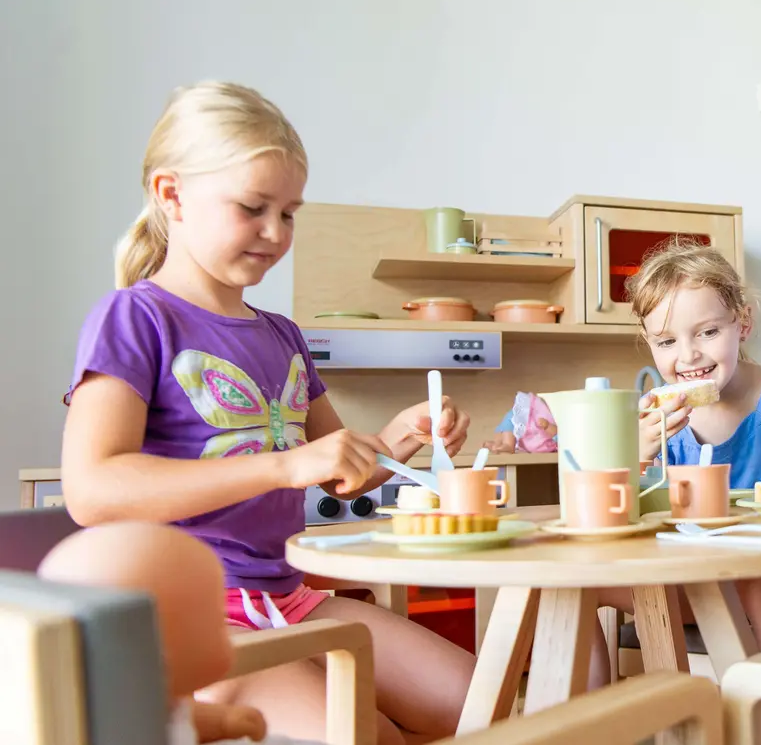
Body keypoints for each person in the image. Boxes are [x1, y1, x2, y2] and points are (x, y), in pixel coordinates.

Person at [59, 81, 475, 745]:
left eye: (290, 212)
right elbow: (91, 488)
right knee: (372, 737)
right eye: (254, 207)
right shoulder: (135, 318)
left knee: (477, 702)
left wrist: (399, 439)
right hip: (194, 619)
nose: (276, 233)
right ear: (172, 196)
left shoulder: (281, 334)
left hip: (290, 596)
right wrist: (282, 466)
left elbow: (342, 467)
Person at [591, 238, 761, 745]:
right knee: (573, 583)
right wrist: (634, 455)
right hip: (698, 576)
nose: (689, 357)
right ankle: (587, 731)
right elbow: (620, 515)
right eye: (666, 342)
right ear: (647, 342)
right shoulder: (658, 416)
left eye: (707, 331)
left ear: (742, 323)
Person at [40, 522, 325, 744]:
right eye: (216, 619)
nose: (229, 627)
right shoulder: (128, 728)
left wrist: (227, 722)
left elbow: (190, 720)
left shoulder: (150, 709)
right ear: (164, 655)